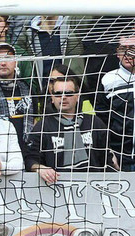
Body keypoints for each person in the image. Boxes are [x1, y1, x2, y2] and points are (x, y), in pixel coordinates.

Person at [24, 76, 116, 183]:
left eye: (68, 93)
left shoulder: (95, 123)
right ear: (52, 98)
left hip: (92, 189)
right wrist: (40, 168)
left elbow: (107, 161)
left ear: (77, 96)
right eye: (58, 94)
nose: (63, 97)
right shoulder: (42, 127)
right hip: (54, 188)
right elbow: (30, 159)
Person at [0, 43, 37, 152]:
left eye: (8, 58)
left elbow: (35, 121)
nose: (3, 63)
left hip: (27, 150)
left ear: (16, 62)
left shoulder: (28, 89)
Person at [97, 36, 135, 171]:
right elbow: (101, 121)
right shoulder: (108, 80)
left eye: (132, 49)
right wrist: (110, 153)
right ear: (117, 53)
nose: (127, 54)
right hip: (121, 157)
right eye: (123, 49)